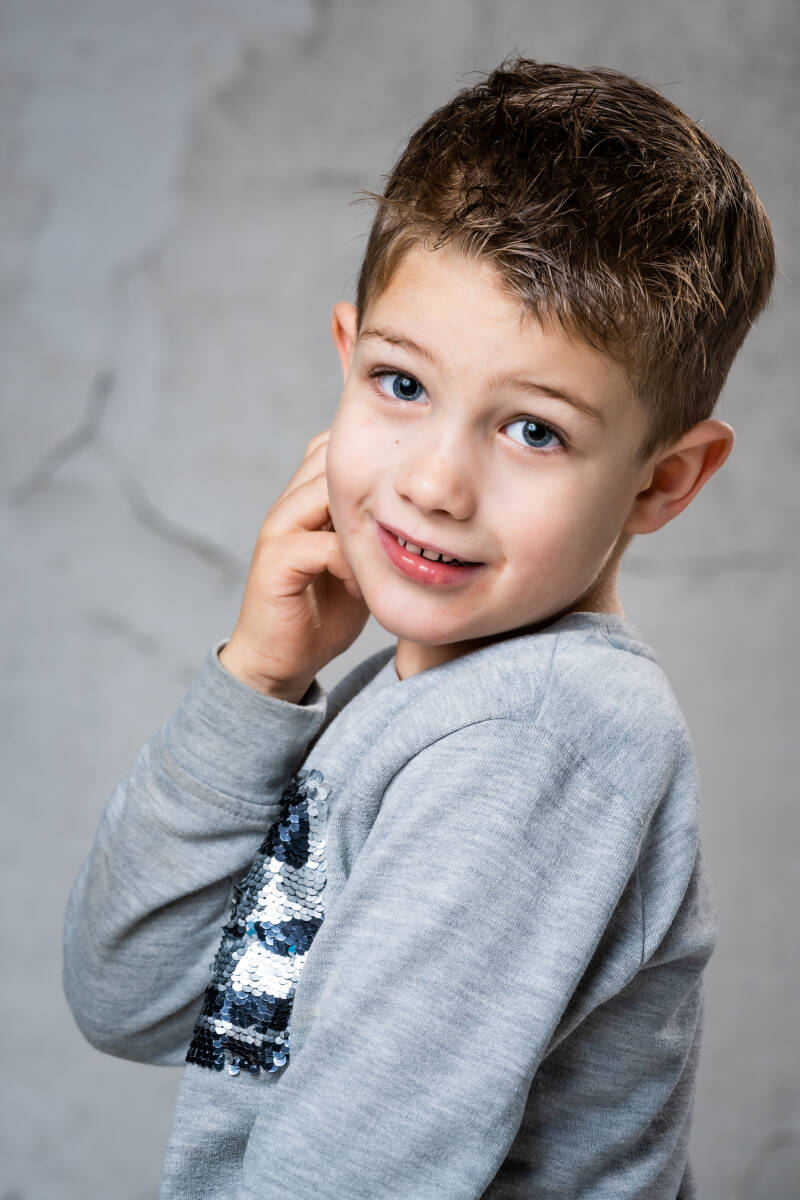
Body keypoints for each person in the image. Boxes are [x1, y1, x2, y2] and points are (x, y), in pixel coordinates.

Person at [62, 58, 775, 1200]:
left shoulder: (531, 739)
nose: (435, 484)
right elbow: (131, 996)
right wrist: (258, 682)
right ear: (347, 354)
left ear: (662, 480)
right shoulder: (425, 701)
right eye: (401, 385)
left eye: (534, 431)